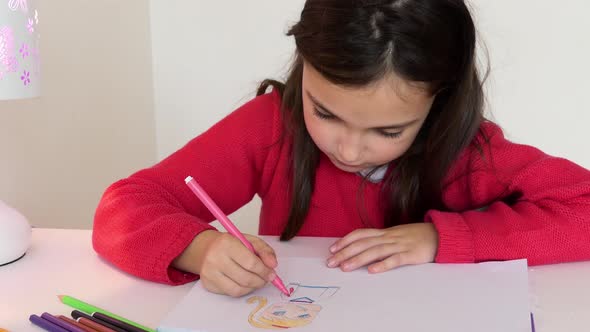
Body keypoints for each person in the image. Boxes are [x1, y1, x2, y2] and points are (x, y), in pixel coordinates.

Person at [92, 0, 590, 298]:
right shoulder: (272, 125)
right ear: (302, 63)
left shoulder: (468, 149)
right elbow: (124, 206)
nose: (349, 151)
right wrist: (198, 250)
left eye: (388, 131)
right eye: (325, 113)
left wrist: (444, 240)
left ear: (438, 104)